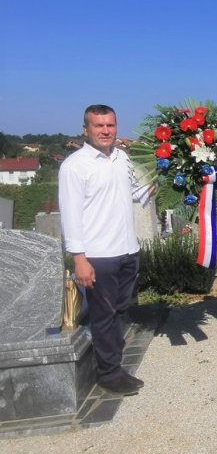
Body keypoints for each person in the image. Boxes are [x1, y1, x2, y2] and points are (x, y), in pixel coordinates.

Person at [58, 104, 149, 395]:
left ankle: (114, 363)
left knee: (119, 310)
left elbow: (140, 192)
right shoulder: (75, 166)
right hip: (98, 254)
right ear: (86, 129)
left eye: (110, 125)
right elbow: (70, 215)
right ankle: (109, 372)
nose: (106, 131)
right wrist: (79, 259)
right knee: (104, 314)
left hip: (126, 248)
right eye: (99, 126)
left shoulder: (121, 158)